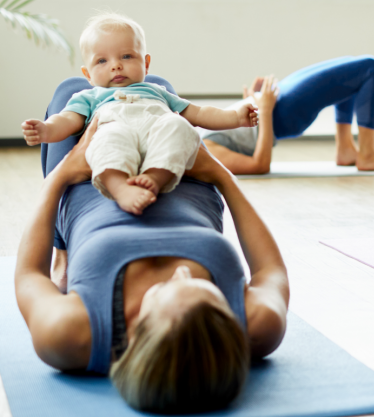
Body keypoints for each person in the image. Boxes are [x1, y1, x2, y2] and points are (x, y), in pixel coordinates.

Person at [15, 75, 290, 414]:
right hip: (185, 171)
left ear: (137, 333)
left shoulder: (71, 333)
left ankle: (64, 256)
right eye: (214, 298)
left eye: (165, 289)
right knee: (153, 86)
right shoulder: (259, 324)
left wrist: (64, 171)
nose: (183, 273)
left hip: (93, 176)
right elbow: (271, 271)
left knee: (72, 92)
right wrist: (220, 174)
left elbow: (28, 276)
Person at [21, 14, 258, 214]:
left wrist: (235, 117)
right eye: (102, 61)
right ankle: (119, 186)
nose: (116, 65)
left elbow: (198, 112)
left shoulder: (157, 91)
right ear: (88, 75)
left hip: (158, 137)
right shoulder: (90, 97)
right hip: (116, 132)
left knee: (179, 127)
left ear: (146, 64)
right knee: (107, 138)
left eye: (126, 56)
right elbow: (67, 120)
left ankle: (156, 177)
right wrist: (46, 130)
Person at [201, 56, 374, 175]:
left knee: (350, 73)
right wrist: (263, 110)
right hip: (282, 115)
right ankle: (368, 154)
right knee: (370, 68)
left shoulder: (193, 136)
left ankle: (346, 149)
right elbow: (259, 165)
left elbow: (236, 131)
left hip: (271, 106)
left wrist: (248, 101)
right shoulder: (201, 152)